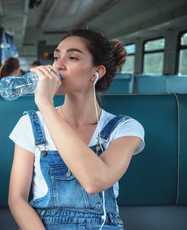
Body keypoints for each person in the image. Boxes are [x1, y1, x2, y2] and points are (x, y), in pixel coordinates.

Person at [8, 29, 145, 230]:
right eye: (56, 57)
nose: (58, 65)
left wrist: (46, 104)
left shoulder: (125, 128)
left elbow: (94, 182)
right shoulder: (30, 124)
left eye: (72, 57)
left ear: (96, 73)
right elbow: (17, 200)